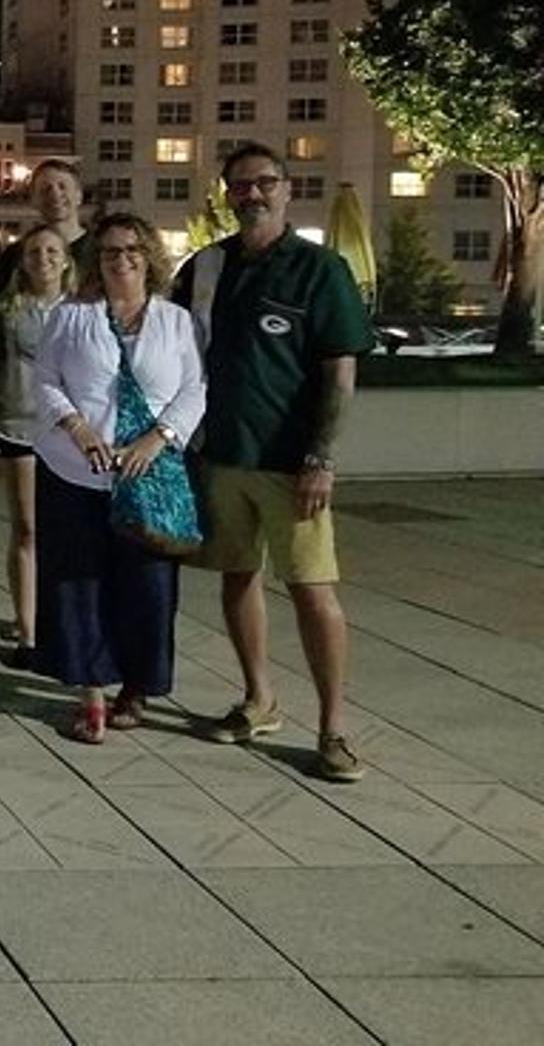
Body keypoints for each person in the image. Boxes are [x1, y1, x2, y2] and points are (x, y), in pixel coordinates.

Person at [172, 142, 375, 783]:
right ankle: (259, 699)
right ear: (226, 195)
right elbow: (169, 349)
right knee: (237, 578)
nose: (251, 194)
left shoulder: (319, 270)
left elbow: (340, 372)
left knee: (314, 592)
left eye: (264, 183)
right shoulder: (206, 268)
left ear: (287, 190)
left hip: (292, 463)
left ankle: (334, 729)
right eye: (239, 185)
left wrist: (322, 456)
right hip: (221, 454)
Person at [33, 214, 205, 742]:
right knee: (79, 584)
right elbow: (43, 380)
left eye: (132, 249)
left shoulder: (177, 321)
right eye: (109, 251)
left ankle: (136, 686)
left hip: (148, 475)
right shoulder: (71, 316)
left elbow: (195, 389)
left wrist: (159, 439)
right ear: (95, 261)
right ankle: (91, 695)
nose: (121, 259)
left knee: (148, 587)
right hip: (76, 471)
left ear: (149, 255)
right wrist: (79, 429)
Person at [0, 223, 74, 668]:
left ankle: (60, 617)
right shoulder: (6, 309)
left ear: (66, 258)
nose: (43, 259)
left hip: (73, 436)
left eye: (52, 251)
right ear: (23, 260)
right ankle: (27, 627)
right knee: (27, 528)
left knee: (66, 534)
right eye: (35, 251)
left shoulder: (84, 310)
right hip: (19, 427)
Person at [0, 158, 97, 290]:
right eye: (45, 189)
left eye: (62, 186)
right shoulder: (15, 255)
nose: (54, 194)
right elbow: (3, 305)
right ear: (34, 200)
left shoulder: (99, 249)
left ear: (79, 196)